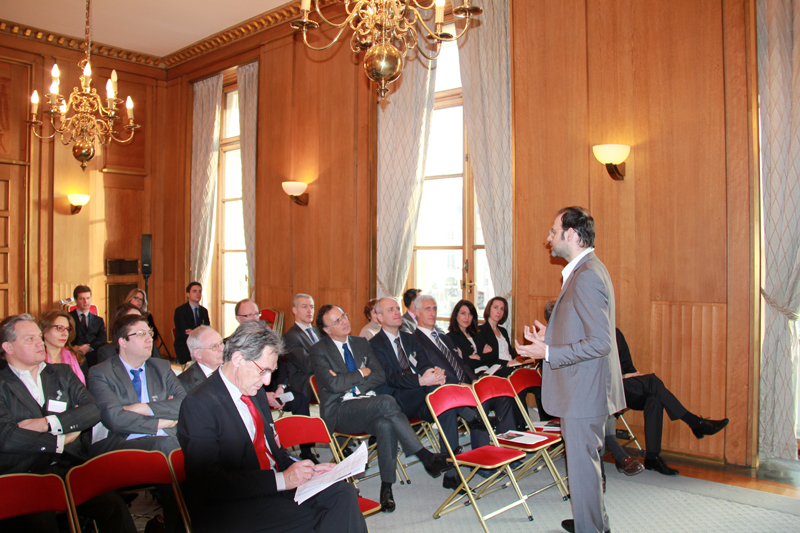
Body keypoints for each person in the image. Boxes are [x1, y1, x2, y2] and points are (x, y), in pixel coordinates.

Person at [177, 320, 367, 533]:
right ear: (238, 359)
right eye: (263, 371)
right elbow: (210, 483)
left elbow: (272, 450)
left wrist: (305, 469)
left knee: (343, 493)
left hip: (273, 485)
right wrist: (282, 479)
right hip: (234, 503)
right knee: (315, 520)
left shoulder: (254, 391)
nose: (268, 381)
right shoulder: (199, 404)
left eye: (272, 371)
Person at [515, 206, 625, 533]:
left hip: (583, 391)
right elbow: (579, 329)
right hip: (583, 388)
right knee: (584, 469)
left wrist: (548, 351)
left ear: (572, 235)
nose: (548, 239)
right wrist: (545, 337)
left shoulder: (587, 275)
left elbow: (600, 342)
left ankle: (591, 528)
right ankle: (593, 523)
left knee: (582, 470)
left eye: (553, 232)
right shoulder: (584, 270)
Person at [0, 314, 136, 533]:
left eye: (38, 337)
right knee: (41, 521)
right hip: (26, 474)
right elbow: (7, 437)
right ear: (8, 347)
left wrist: (48, 423)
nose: (39, 343)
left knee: (114, 508)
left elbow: (92, 410)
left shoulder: (61, 373)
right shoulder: (2, 385)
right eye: (29, 339)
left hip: (69, 467)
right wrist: (59, 441)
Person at [310, 304, 449, 512]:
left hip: (368, 404)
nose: (344, 321)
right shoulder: (318, 350)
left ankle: (386, 489)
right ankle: (424, 455)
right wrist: (361, 373)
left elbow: (379, 376)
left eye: (344, 315)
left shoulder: (360, 343)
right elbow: (333, 386)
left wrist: (353, 379)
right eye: (337, 321)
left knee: (385, 424)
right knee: (386, 401)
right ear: (327, 330)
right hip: (340, 410)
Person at [412, 294, 517, 488]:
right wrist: (460, 385)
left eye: (435, 309)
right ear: (416, 312)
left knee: (503, 397)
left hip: (461, 388)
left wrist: (475, 381)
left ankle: (509, 454)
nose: (433, 313)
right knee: (456, 407)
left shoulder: (443, 338)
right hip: (438, 391)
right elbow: (431, 370)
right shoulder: (414, 340)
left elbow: (461, 365)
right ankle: (463, 470)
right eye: (428, 309)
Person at [613, 326, 728, 475]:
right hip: (604, 390)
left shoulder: (615, 332)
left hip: (624, 387)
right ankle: (695, 423)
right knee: (652, 382)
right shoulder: (590, 334)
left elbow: (627, 365)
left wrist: (634, 375)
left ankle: (652, 457)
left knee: (654, 396)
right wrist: (621, 377)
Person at [88, 314, 186, 456]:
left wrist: (144, 408)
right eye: (141, 334)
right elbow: (114, 418)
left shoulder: (161, 367)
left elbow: (184, 403)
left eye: (149, 333)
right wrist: (159, 422)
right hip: (123, 440)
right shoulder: (101, 373)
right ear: (122, 342)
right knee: (166, 446)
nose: (149, 339)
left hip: (167, 436)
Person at [234, 299, 318, 463]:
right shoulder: (234, 344)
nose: (254, 319)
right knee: (260, 408)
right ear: (238, 319)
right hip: (252, 393)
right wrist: (265, 395)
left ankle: (306, 451)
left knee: (300, 398)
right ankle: (272, 451)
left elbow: (281, 368)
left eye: (256, 314)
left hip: (275, 389)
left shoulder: (269, 339)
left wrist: (281, 386)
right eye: (248, 315)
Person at [282, 293, 321, 400]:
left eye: (312, 307)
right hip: (306, 384)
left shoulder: (319, 331)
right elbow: (308, 365)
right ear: (294, 310)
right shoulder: (290, 337)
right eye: (304, 307)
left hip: (324, 379)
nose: (310, 311)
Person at [96, 303, 161, 365]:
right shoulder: (107, 353)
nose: (150, 340)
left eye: (140, 318)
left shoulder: (150, 347)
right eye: (133, 319)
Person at [39, 309, 85, 384]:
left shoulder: (75, 357)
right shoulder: (33, 360)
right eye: (59, 328)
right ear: (44, 330)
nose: (65, 334)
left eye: (67, 329)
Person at [446, 299, 489, 374]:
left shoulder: (477, 334)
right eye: (463, 313)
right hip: (469, 377)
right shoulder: (450, 337)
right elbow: (461, 363)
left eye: (470, 314)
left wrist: (476, 356)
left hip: (487, 372)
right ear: (456, 315)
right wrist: (482, 356)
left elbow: (490, 356)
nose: (467, 317)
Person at [69, 284, 108, 368]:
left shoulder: (99, 320)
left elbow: (102, 339)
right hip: (74, 354)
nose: (86, 302)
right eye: (82, 299)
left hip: (94, 355)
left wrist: (89, 347)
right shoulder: (68, 318)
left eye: (88, 298)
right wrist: (75, 348)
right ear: (76, 300)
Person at [178, 326, 224, 394]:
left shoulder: (233, 368)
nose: (222, 349)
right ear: (197, 354)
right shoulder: (183, 385)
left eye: (221, 343)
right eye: (214, 347)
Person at [174, 282, 210, 364]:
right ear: (187, 294)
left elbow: (207, 330)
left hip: (201, 344)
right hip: (185, 345)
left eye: (199, 291)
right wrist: (199, 332)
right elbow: (185, 332)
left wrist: (194, 332)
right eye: (194, 291)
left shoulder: (204, 311)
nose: (198, 293)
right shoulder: (180, 311)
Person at [125, 288, 164, 354]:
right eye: (136, 298)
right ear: (130, 298)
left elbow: (155, 335)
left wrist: (149, 332)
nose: (139, 301)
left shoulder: (147, 315)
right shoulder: (124, 314)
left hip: (144, 344)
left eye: (141, 299)